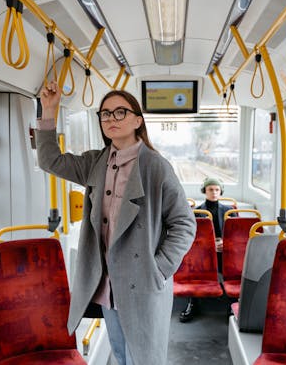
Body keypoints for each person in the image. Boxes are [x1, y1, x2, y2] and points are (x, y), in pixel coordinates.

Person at [35, 81, 196, 365]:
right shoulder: (95, 163)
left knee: (145, 358)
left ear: (137, 119)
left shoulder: (156, 167)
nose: (111, 119)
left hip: (144, 283)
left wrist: (158, 268)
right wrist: (49, 110)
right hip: (109, 284)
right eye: (105, 114)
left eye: (120, 112)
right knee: (120, 354)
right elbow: (50, 161)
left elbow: (184, 223)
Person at [179, 176, 236, 323]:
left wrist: (226, 243)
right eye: (211, 189)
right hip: (204, 251)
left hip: (225, 249)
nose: (214, 192)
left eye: (217, 190)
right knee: (195, 264)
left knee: (234, 264)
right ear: (205, 191)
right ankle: (193, 302)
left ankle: (232, 302)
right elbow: (194, 236)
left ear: (221, 191)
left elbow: (234, 234)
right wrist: (209, 245)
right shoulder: (197, 212)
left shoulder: (229, 211)